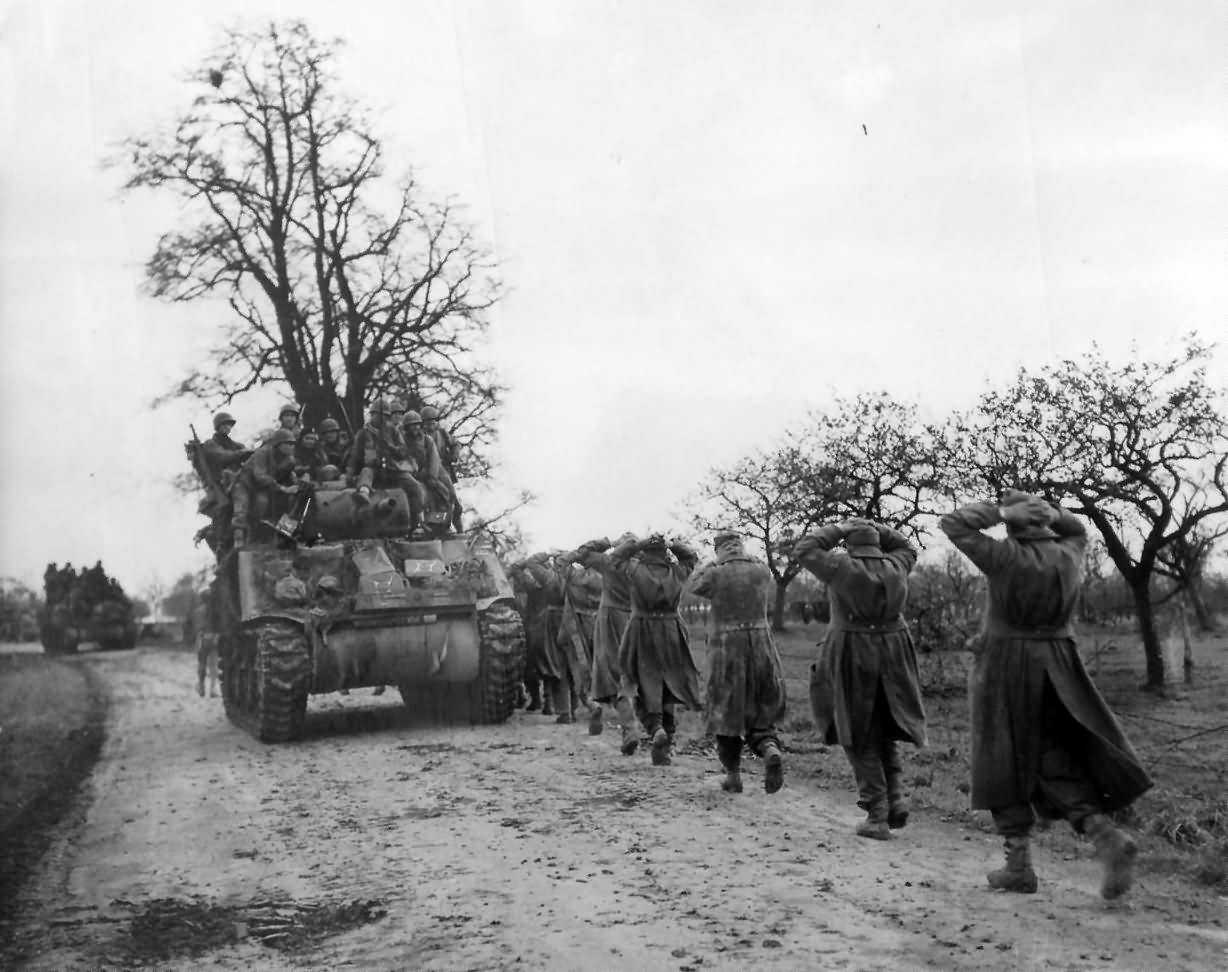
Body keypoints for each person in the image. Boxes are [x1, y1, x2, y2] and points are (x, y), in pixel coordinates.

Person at [940, 490, 1152, 899]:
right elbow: (1077, 527)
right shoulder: (1070, 552)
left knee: (1001, 758)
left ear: (1013, 524)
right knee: (1051, 756)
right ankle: (1104, 834)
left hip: (1007, 666)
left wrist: (1000, 510)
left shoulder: (1004, 556)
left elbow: (953, 524)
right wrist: (1052, 512)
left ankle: (1018, 864)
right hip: (1059, 664)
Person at [794, 519, 927, 840]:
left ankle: (877, 813)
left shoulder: (841, 566)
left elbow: (805, 548)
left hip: (853, 651)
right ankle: (896, 798)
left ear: (849, 544)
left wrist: (840, 528)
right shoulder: (897, 565)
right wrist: (878, 528)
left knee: (856, 731)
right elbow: (906, 545)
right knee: (884, 727)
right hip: (894, 651)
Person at [689, 531, 787, 794]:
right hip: (762, 647)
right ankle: (769, 747)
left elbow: (694, 585)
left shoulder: (715, 573)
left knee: (725, 713)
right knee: (761, 707)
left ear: (719, 548)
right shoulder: (761, 570)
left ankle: (733, 776)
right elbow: (764, 573)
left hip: (726, 650)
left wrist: (712, 562)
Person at [610, 534, 702, 765]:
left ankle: (655, 728)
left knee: (640, 683)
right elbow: (691, 556)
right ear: (664, 553)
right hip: (672, 630)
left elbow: (616, 557)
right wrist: (673, 544)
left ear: (645, 552)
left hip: (641, 630)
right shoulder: (677, 571)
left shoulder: (634, 569)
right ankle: (666, 742)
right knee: (670, 685)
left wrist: (637, 543)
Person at [565, 533, 637, 738]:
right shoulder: (642, 568)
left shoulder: (609, 563)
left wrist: (608, 542)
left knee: (608, 671)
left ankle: (626, 724)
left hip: (609, 623)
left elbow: (583, 552)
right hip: (637, 621)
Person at [346, 399, 427, 535]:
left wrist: (390, 446)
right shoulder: (363, 433)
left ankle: (418, 522)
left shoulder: (393, 432)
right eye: (378, 415)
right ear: (372, 415)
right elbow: (355, 456)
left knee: (415, 487)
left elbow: (403, 452)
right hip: (373, 469)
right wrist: (350, 474)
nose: (382, 419)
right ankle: (364, 492)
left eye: (385, 416)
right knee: (366, 472)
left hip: (392, 470)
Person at [507, 552, 568, 718]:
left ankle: (537, 700)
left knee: (531, 665)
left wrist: (524, 562)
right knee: (553, 663)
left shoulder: (533, 585)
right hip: (556, 625)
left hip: (535, 627)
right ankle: (551, 702)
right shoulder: (560, 580)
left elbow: (515, 568)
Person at [554, 556, 604, 729]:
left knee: (574, 672)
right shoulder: (601, 578)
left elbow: (561, 562)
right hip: (595, 629)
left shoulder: (574, 576)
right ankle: (584, 705)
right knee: (589, 671)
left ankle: (589, 705)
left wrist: (574, 554)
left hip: (573, 630)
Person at [230, 429, 305, 546]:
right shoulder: (263, 453)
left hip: (263, 487)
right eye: (288, 443)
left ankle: (286, 533)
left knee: (286, 502)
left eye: (293, 444)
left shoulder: (289, 459)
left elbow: (288, 475)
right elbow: (260, 476)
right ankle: (239, 538)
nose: (291, 447)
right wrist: (282, 488)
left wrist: (297, 485)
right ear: (278, 444)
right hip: (245, 484)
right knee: (242, 508)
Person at [402, 410, 462, 531]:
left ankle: (449, 527)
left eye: (417, 424)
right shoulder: (403, 440)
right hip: (416, 473)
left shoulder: (430, 438)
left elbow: (434, 458)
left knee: (448, 496)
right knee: (425, 500)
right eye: (412, 425)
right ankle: (431, 524)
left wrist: (432, 476)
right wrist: (416, 472)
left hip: (438, 471)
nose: (415, 428)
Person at [421, 405, 458, 479]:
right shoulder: (420, 434)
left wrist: (453, 455)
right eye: (427, 422)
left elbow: (455, 444)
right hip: (427, 467)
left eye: (432, 421)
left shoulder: (442, 432)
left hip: (443, 465)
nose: (430, 425)